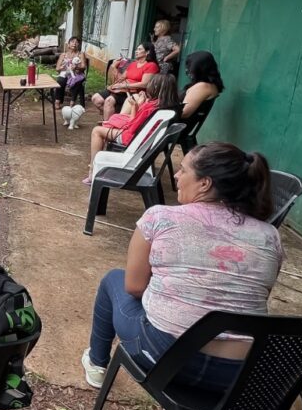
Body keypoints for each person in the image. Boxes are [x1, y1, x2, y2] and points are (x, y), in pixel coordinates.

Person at [81, 142, 282, 394]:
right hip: (238, 375)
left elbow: (134, 287)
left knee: (114, 279)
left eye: (183, 170)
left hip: (169, 361)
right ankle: (177, 405)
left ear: (205, 183)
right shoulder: (270, 235)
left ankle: (97, 364)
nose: (176, 176)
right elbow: (256, 293)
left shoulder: (160, 218)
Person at [84, 74, 179, 183]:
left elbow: (132, 125)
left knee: (97, 131)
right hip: (148, 139)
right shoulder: (167, 105)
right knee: (111, 123)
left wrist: (135, 106)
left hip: (135, 139)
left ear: (155, 88)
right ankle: (102, 165)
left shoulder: (150, 107)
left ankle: (92, 169)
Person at [89, 42, 159, 120]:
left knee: (109, 101)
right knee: (96, 98)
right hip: (122, 89)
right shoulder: (133, 64)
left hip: (135, 92)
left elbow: (144, 84)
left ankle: (108, 124)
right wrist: (114, 67)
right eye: (136, 49)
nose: (136, 51)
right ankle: (114, 118)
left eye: (139, 49)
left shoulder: (151, 65)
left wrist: (125, 85)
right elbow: (120, 79)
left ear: (147, 52)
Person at [179, 50, 224, 119]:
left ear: (199, 69)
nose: (187, 71)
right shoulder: (209, 85)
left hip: (175, 125)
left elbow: (184, 113)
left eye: (190, 68)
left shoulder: (203, 86)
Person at [53, 37, 87, 122]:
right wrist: (62, 67)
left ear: (78, 45)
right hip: (65, 72)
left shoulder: (80, 54)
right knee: (61, 80)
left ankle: (72, 102)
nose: (74, 44)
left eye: (76, 42)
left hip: (76, 74)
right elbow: (57, 68)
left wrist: (76, 66)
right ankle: (58, 101)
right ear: (68, 44)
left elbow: (83, 66)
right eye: (72, 42)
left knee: (76, 81)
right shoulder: (63, 55)